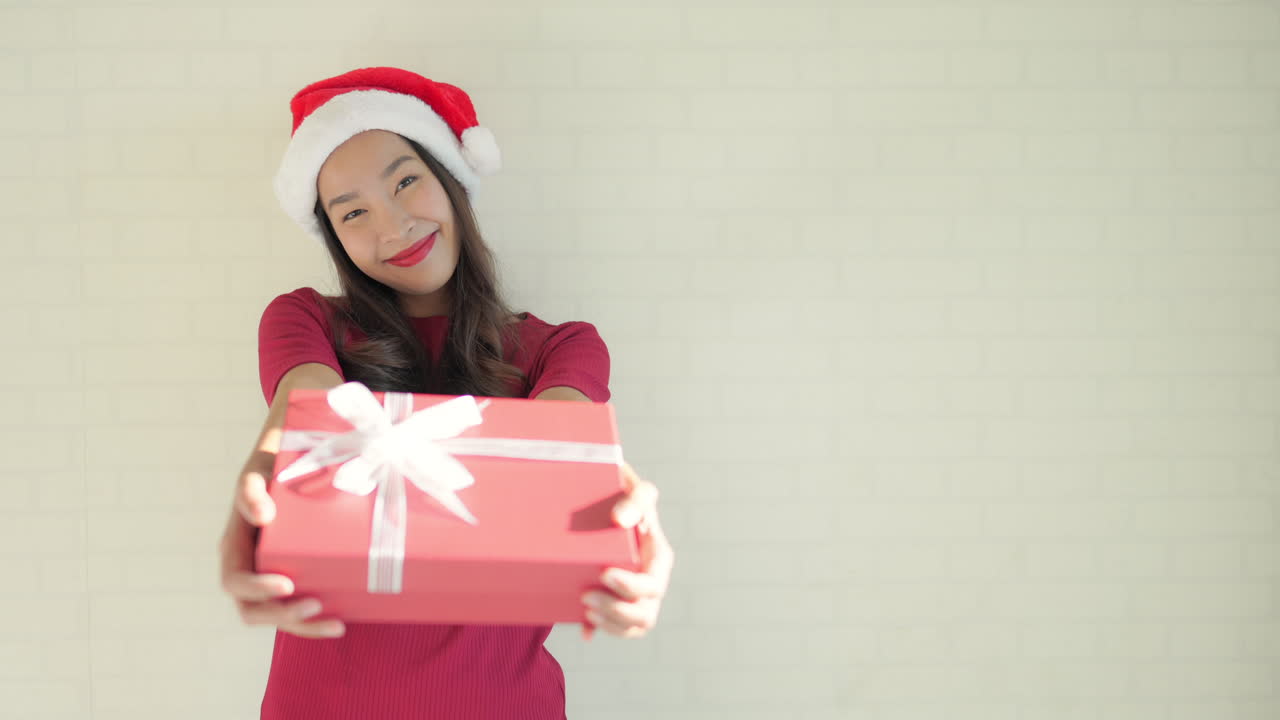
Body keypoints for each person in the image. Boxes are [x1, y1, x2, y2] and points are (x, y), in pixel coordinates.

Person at [217, 66, 674, 719]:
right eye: (354, 212)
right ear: (336, 238)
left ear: (451, 179)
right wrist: (265, 467)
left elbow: (564, 453)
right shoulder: (307, 322)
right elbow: (303, 408)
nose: (395, 224)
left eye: (406, 181)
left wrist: (626, 512)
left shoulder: (559, 349)